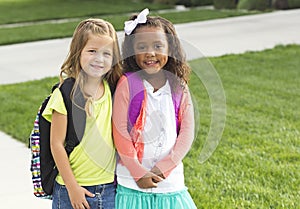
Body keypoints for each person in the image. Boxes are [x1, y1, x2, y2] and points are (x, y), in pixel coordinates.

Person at [112, 8, 196, 209]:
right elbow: (119, 130)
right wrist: (137, 171)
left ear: (170, 48)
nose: (150, 52)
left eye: (158, 45)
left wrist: (164, 168)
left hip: (170, 184)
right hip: (132, 184)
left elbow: (186, 132)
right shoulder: (128, 83)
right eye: (142, 47)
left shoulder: (178, 86)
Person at [42, 18, 122, 209]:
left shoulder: (113, 89)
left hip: (108, 187)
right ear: (79, 53)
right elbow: (56, 144)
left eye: (106, 53)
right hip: (70, 189)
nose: (99, 59)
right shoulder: (65, 94)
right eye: (92, 51)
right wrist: (72, 187)